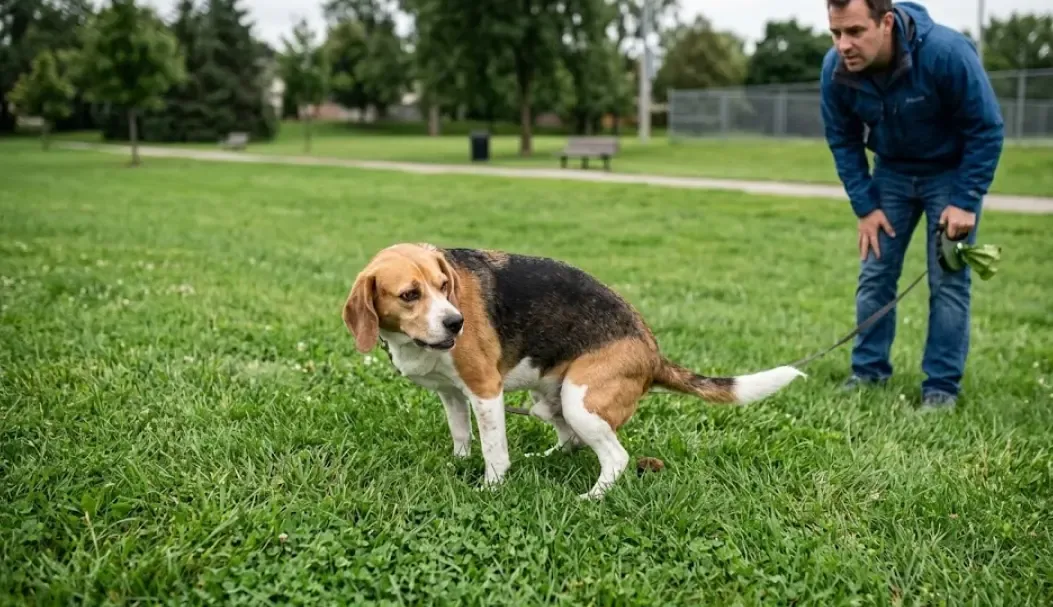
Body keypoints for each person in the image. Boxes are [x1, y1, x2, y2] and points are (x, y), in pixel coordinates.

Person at [819, 0, 1005, 409]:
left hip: (950, 175)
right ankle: (868, 373)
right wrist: (866, 207)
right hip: (891, 175)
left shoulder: (946, 52)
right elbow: (843, 140)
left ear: (885, 22)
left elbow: (986, 128)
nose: (843, 45)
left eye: (854, 31)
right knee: (875, 274)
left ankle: (940, 388)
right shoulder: (835, 69)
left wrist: (965, 200)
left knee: (948, 282)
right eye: (835, 33)